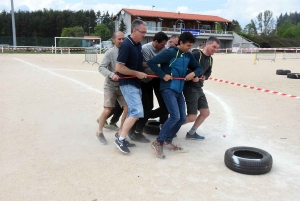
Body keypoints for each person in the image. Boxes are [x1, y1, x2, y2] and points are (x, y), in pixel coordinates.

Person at [147, 32, 204, 158]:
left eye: (191, 46)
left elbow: (199, 68)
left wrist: (193, 73)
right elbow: (151, 62)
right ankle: (158, 141)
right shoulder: (170, 52)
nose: (190, 48)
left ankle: (167, 140)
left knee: (182, 117)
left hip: (179, 90)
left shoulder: (188, 54)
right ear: (181, 43)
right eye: (188, 45)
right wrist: (163, 75)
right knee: (174, 116)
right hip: (168, 88)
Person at [115, 19, 148, 153]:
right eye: (143, 32)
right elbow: (119, 67)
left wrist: (156, 64)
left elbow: (139, 64)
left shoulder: (138, 44)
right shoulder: (126, 45)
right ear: (134, 30)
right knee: (137, 112)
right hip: (127, 83)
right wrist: (136, 73)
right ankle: (121, 139)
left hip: (135, 83)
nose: (144, 35)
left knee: (132, 112)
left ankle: (119, 135)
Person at [130, 31, 169, 142]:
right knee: (147, 106)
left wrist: (155, 64)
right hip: (145, 80)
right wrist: (156, 63)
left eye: (164, 45)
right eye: (161, 44)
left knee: (165, 103)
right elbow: (144, 64)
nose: (163, 47)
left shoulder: (164, 49)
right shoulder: (145, 48)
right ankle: (137, 131)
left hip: (157, 79)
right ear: (155, 42)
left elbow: (162, 63)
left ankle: (163, 129)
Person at [96, 31, 132, 146]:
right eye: (119, 39)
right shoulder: (110, 52)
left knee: (127, 108)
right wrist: (112, 75)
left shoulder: (127, 51)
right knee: (108, 110)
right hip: (110, 86)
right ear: (113, 40)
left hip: (122, 86)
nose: (121, 41)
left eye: (123, 39)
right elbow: (101, 67)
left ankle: (120, 132)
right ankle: (99, 131)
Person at [183, 36, 220, 140]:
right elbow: (185, 67)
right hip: (190, 88)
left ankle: (191, 133)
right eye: (214, 46)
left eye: (217, 48)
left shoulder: (210, 59)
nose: (215, 49)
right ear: (207, 44)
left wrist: (205, 77)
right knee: (191, 117)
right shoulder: (196, 54)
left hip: (199, 88)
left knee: (205, 113)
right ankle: (168, 127)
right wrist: (193, 76)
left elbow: (208, 72)